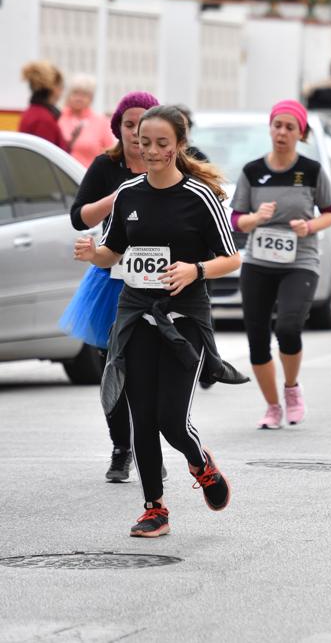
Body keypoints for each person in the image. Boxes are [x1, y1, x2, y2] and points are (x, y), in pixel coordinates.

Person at [72, 105, 246, 538]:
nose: (150, 151)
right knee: (142, 418)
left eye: (161, 144)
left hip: (183, 317)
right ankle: (155, 509)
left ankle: (201, 463)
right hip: (135, 314)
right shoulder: (129, 193)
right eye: (144, 142)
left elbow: (232, 257)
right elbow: (113, 252)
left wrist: (195, 270)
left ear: (179, 146)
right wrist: (93, 254)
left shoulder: (200, 196)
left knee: (171, 419)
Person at [61, 91, 160, 483]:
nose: (136, 133)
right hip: (111, 274)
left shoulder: (168, 162)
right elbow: (78, 217)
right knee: (112, 366)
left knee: (150, 367)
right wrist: (116, 198)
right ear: (117, 127)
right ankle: (122, 448)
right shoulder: (107, 165)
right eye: (129, 124)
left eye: (143, 124)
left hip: (156, 278)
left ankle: (150, 445)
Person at [230, 100, 331, 429]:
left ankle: (291, 389)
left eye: (290, 127)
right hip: (259, 262)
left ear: (300, 133)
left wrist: (309, 227)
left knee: (289, 327)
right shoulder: (252, 171)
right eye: (277, 125)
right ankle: (272, 406)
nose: (282, 132)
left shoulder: (311, 171)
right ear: (270, 128)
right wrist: (255, 218)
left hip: (300, 260)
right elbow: (236, 219)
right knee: (257, 337)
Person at [59, 74, 116, 168]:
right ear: (68, 95)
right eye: (75, 93)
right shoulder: (58, 118)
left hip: (88, 176)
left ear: (91, 98)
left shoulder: (101, 122)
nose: (79, 98)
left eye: (84, 94)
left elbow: (111, 152)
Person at [18, 60, 67, 151]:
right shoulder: (43, 119)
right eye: (61, 86)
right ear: (54, 88)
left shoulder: (32, 112)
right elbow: (46, 158)